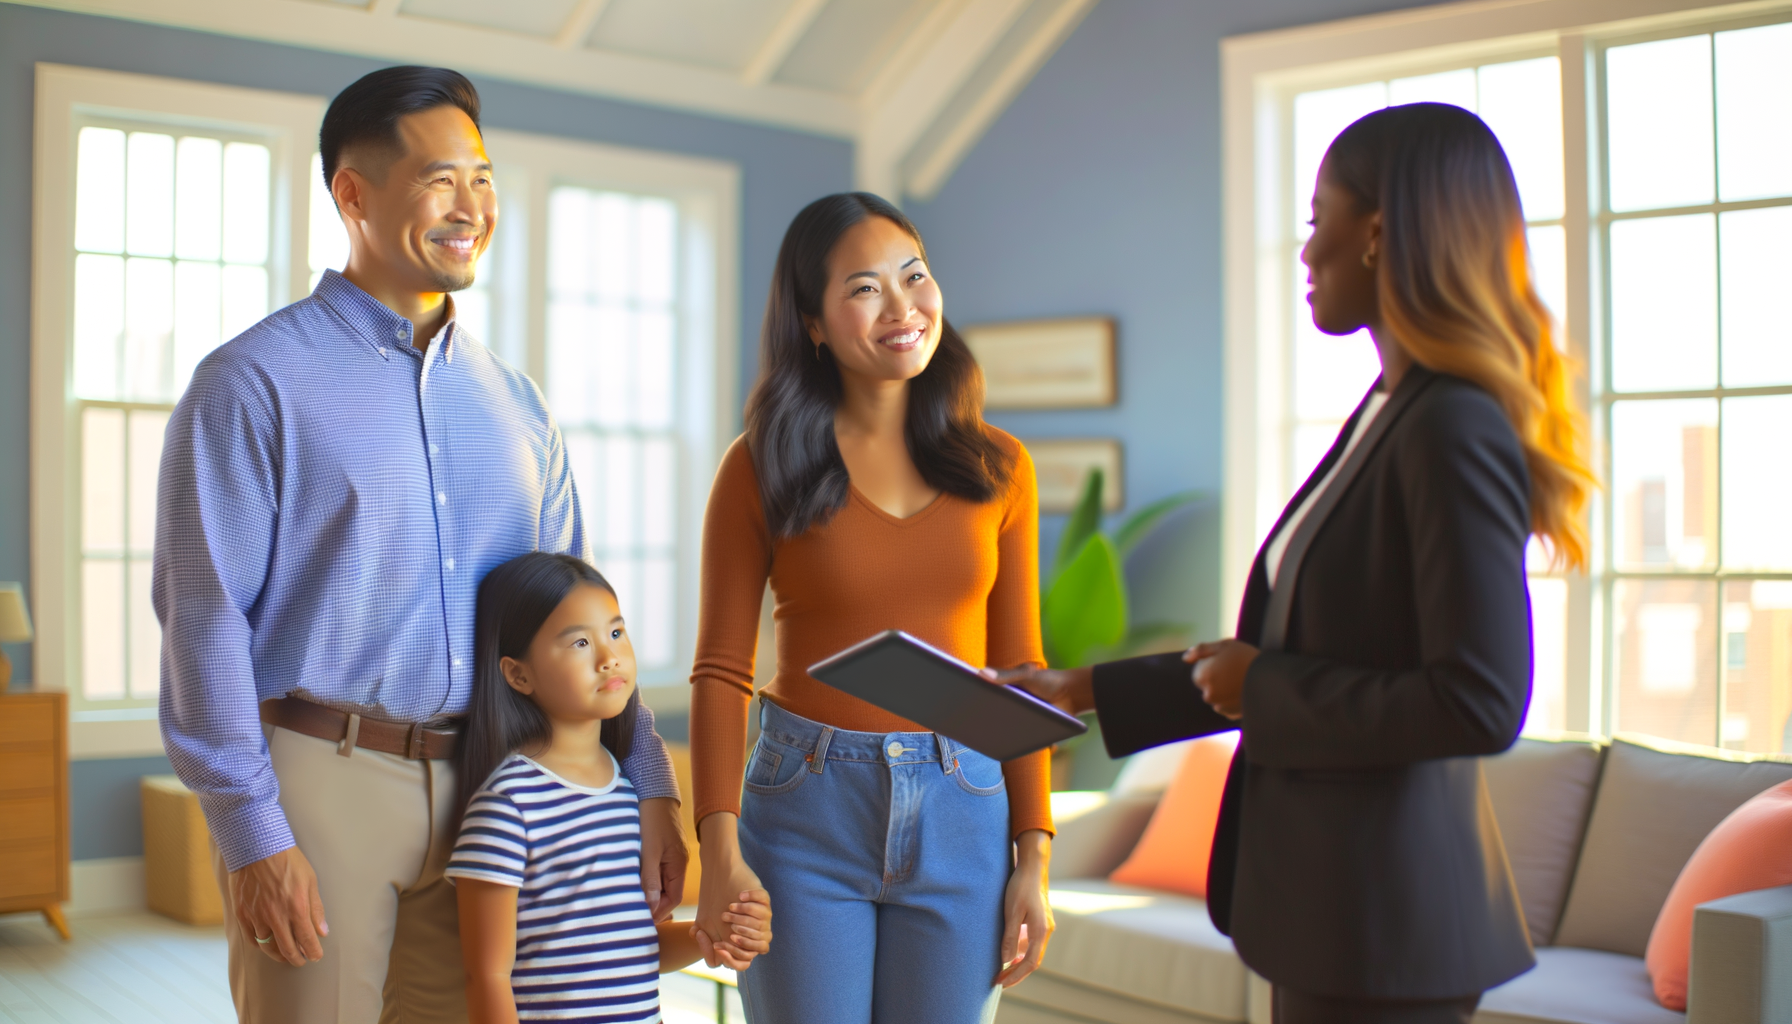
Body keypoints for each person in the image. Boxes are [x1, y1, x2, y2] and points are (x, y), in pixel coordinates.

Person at [991, 103, 1596, 1024]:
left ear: (1379, 235)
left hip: (1388, 931)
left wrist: (1262, 682)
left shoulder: (1449, 424)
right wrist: (1073, 688)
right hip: (1336, 916)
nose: (1305, 253)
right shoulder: (1387, 412)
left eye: (1320, 222)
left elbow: (1477, 700)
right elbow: (1300, 658)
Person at [154, 66, 686, 1024]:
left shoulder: (519, 407)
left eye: (481, 179)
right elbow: (203, 618)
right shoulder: (252, 382)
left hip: (499, 780)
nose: (470, 206)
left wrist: (650, 783)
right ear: (352, 193)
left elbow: (578, 620)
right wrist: (251, 834)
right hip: (325, 779)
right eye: (440, 179)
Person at [688, 192, 1054, 1023]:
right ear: (813, 322)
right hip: (803, 810)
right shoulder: (759, 466)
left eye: (914, 276)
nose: (902, 307)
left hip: (968, 805)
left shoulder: (1002, 468)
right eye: (863, 288)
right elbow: (719, 668)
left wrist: (1032, 855)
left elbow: (1021, 676)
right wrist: (718, 848)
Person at [450, 553, 771, 1024]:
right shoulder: (508, 806)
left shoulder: (623, 793)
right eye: (580, 642)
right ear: (518, 674)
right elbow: (487, 976)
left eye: (616, 632)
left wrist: (712, 935)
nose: (609, 657)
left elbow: (631, 948)